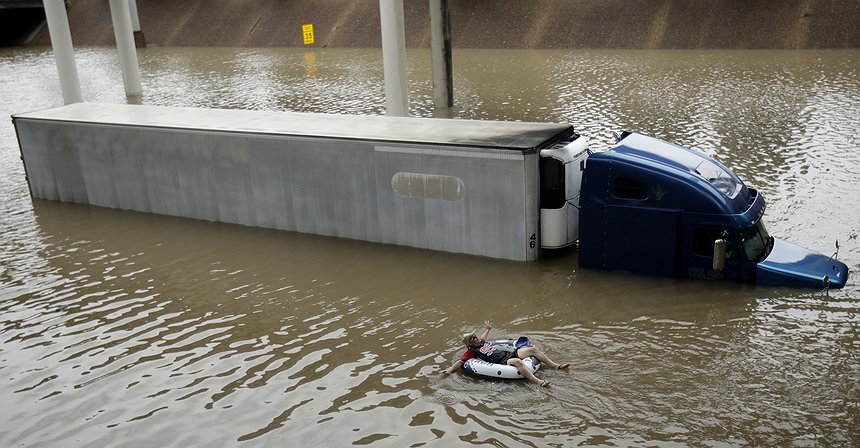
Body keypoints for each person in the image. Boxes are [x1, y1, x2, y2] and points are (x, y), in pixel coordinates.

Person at [439, 320, 570, 387]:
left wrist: (487, 329)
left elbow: (484, 335)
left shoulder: (482, 341)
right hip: (503, 362)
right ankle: (538, 382)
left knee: (533, 350)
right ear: (469, 344)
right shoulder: (471, 352)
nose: (475, 337)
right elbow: (460, 362)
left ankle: (556, 366)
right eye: (472, 338)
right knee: (517, 362)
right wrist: (449, 371)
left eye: (474, 336)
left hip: (510, 353)